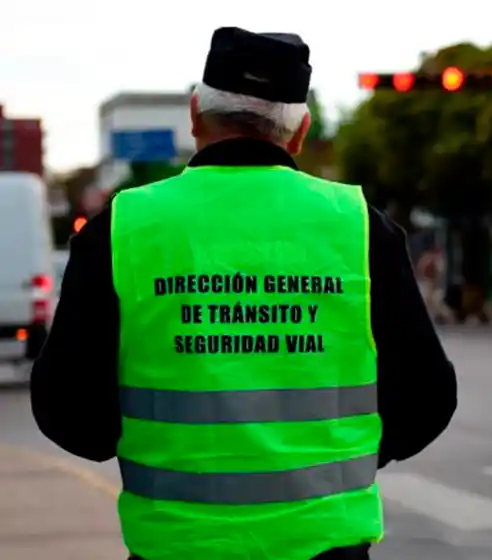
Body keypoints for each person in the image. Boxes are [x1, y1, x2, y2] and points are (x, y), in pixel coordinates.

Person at [30, 27, 457, 560]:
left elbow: (67, 413)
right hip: (325, 546)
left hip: (177, 546)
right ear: (299, 132)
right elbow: (428, 398)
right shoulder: (362, 229)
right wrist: (341, 455)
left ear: (195, 115)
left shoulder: (120, 230)